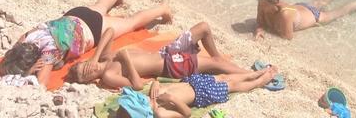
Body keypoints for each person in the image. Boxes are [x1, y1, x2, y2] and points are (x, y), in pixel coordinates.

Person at [0, 0, 172, 80]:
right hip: (75, 15)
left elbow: (41, 85)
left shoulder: (48, 54)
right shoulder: (27, 38)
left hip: (93, 28)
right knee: (100, 6)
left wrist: (28, 73)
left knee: (131, 23)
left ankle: (163, 9)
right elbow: (14, 50)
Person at [69, 21, 249, 89]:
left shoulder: (105, 57)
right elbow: (138, 85)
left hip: (167, 51)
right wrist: (126, 60)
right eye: (86, 76)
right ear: (90, 80)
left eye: (84, 68)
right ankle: (250, 75)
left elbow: (108, 31)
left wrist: (95, 57)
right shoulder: (108, 75)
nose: (89, 71)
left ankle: (219, 58)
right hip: (169, 66)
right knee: (215, 64)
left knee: (203, 28)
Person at [111, 69, 279, 118]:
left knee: (223, 77)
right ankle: (259, 82)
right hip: (201, 94)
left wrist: (155, 83)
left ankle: (252, 74)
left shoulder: (151, 95)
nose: (144, 100)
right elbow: (187, 113)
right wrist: (171, 99)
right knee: (232, 85)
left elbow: (156, 81)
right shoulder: (160, 112)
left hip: (192, 82)